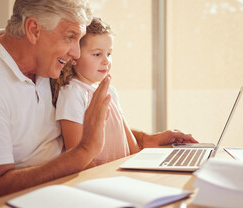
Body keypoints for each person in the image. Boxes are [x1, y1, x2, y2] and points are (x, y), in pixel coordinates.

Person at [0, 0, 196, 207]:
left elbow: (82, 126)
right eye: (70, 37)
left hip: (59, 190)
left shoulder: (46, 69)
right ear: (34, 30)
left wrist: (144, 139)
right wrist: (84, 152)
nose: (76, 53)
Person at [51, 17, 198, 167]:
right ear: (75, 57)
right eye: (97, 54)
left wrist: (140, 166)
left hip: (121, 170)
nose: (106, 61)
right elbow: (76, 153)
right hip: (97, 175)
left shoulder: (110, 92)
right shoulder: (72, 93)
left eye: (109, 54)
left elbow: (129, 140)